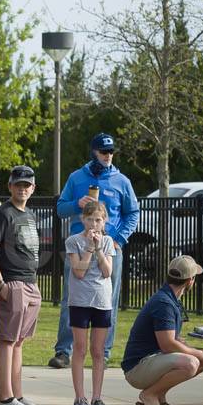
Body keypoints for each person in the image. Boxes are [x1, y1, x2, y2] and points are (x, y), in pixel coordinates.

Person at [49, 132, 139, 369]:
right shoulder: (77, 177)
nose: (108, 156)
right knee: (71, 295)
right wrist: (75, 204)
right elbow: (60, 209)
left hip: (110, 245)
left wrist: (118, 240)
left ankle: (104, 353)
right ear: (94, 152)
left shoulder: (122, 181)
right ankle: (63, 351)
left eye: (110, 151)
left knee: (109, 298)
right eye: (103, 151)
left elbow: (133, 213)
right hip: (79, 244)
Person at [120, 255, 203, 405]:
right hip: (137, 369)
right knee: (191, 362)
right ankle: (149, 395)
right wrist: (202, 355)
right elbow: (168, 345)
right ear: (190, 280)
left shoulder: (169, 299)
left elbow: (171, 342)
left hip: (149, 362)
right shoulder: (164, 303)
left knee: (202, 359)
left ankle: (159, 395)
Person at [0, 166, 47, 405]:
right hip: (12, 283)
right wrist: (0, 285)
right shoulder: (3, 214)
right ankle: (5, 400)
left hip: (30, 283)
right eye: (18, 184)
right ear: (10, 186)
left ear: (33, 188)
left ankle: (18, 396)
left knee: (19, 342)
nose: (22, 188)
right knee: (7, 340)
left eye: (27, 185)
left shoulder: (30, 215)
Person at [65, 200, 116, 405]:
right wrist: (88, 248)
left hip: (101, 301)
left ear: (104, 221)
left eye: (98, 219)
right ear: (83, 220)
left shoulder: (107, 241)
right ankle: (80, 397)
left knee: (98, 350)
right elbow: (79, 271)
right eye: (90, 219)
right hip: (80, 300)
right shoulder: (73, 241)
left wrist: (99, 250)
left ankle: (97, 397)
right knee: (80, 348)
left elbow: (107, 272)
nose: (94, 224)